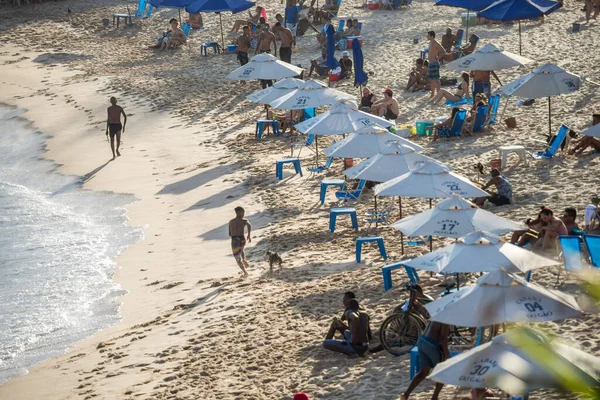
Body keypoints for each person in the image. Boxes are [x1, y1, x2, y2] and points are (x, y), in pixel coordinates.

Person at [401, 321, 450, 400]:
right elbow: (443, 338)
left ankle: (406, 395)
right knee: (442, 371)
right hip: (431, 344)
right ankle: (435, 397)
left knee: (423, 372)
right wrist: (446, 355)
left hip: (422, 340)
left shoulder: (438, 312)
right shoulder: (446, 316)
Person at [228, 206, 252, 277]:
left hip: (235, 239)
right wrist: (249, 235)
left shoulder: (231, 221)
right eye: (243, 212)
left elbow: (229, 234)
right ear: (238, 212)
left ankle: (245, 272)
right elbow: (249, 225)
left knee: (237, 257)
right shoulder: (244, 220)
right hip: (242, 238)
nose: (243, 214)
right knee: (241, 249)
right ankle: (244, 259)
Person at [427, 31, 444, 98]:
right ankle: (432, 93)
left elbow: (443, 51)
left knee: (436, 80)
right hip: (430, 63)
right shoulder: (430, 43)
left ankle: (438, 93)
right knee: (431, 80)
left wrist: (438, 57)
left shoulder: (435, 43)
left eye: (428, 36)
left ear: (432, 36)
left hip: (434, 63)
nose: (427, 37)